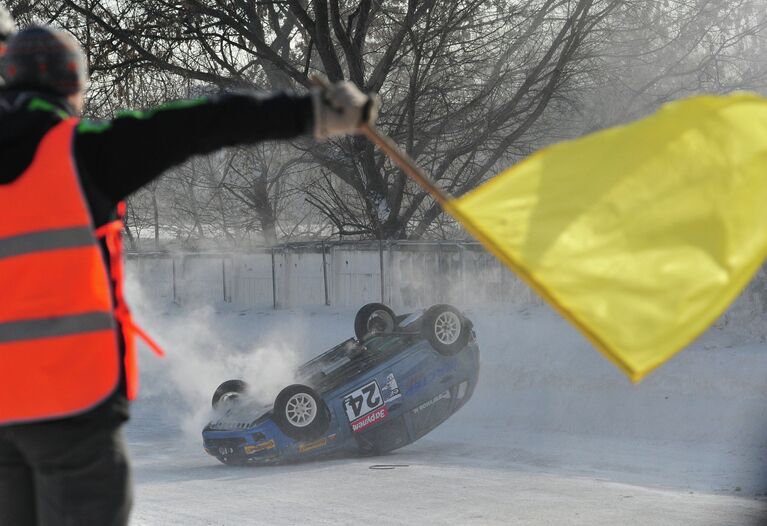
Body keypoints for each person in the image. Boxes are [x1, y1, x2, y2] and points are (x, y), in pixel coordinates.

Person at [0, 25, 378, 526]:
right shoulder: (82, 152)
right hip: (72, 404)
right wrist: (314, 112)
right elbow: (199, 122)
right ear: (74, 89)